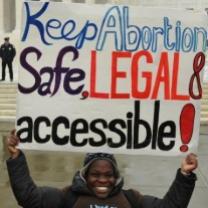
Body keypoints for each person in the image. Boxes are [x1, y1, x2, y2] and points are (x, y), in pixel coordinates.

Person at [6, 130, 198, 208]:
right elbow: (28, 197)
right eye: (96, 174)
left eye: (108, 174)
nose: (103, 180)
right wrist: (16, 158)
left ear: (115, 176)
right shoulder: (67, 197)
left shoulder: (132, 199)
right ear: (85, 175)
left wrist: (185, 175)